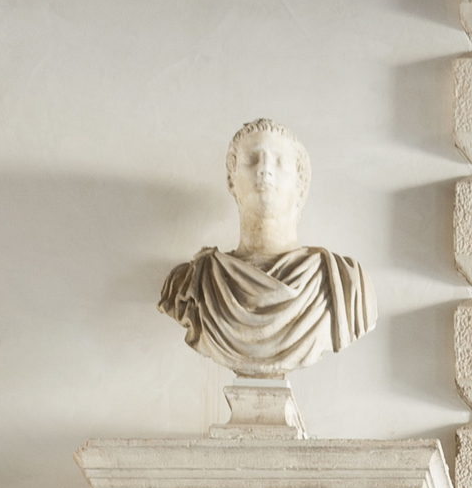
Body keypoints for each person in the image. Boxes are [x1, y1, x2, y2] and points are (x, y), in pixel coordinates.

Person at [159, 119, 375, 378]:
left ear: (301, 183)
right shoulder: (192, 283)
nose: (264, 170)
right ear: (231, 179)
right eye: (252, 160)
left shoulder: (344, 284)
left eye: (278, 161)